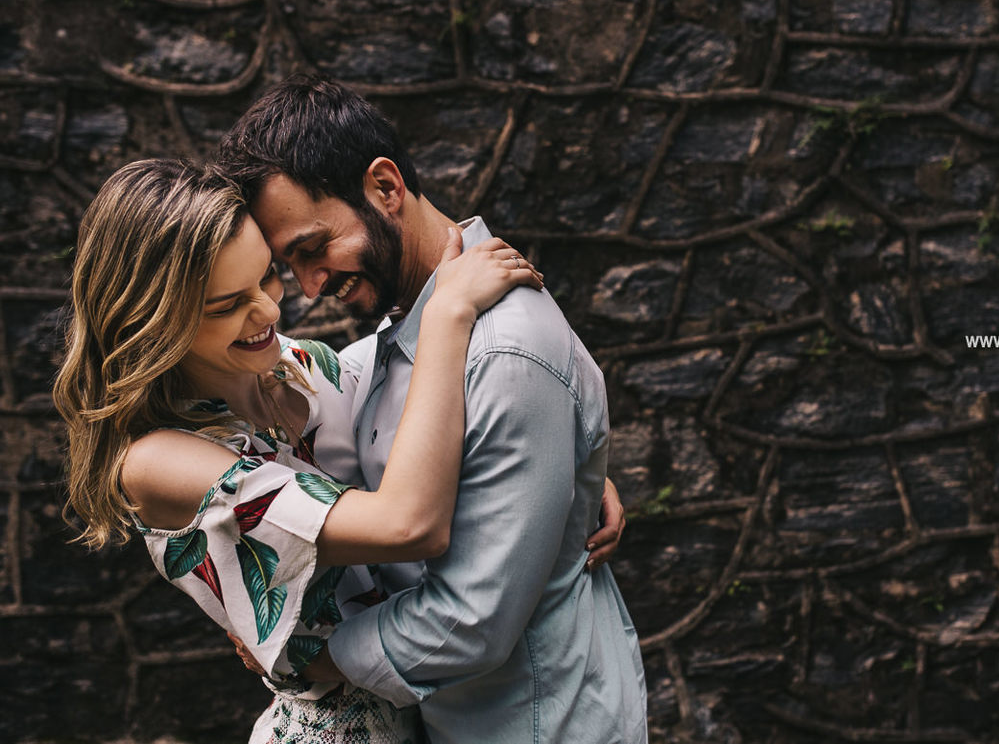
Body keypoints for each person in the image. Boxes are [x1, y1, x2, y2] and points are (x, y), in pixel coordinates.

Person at [51, 159, 594, 741]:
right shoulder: (158, 461)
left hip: (432, 713)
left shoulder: (290, 366)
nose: (266, 311)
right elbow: (408, 524)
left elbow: (437, 418)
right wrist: (447, 315)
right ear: (153, 321)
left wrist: (556, 462)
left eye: (266, 277)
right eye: (225, 305)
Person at [218, 74, 648, 744]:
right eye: (289, 265)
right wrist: (571, 467)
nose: (309, 285)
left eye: (312, 248)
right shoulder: (412, 333)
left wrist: (309, 660)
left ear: (386, 187)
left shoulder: (504, 350)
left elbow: (469, 620)